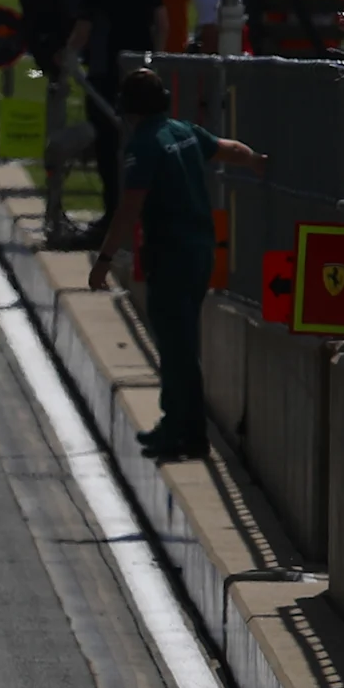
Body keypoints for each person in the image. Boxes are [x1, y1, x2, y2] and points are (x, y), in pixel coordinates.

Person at [90, 66, 264, 463]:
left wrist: (103, 260)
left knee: (175, 347)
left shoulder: (144, 146)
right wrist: (257, 161)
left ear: (128, 109)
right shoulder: (184, 132)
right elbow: (230, 150)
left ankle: (181, 430)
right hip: (201, 251)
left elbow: (129, 208)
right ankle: (188, 431)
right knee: (183, 343)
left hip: (170, 256)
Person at [79, 0, 165, 221]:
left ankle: (114, 212)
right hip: (140, 72)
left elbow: (84, 28)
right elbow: (161, 23)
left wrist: (67, 55)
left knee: (108, 146)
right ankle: (143, 213)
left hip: (105, 76)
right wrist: (156, 61)